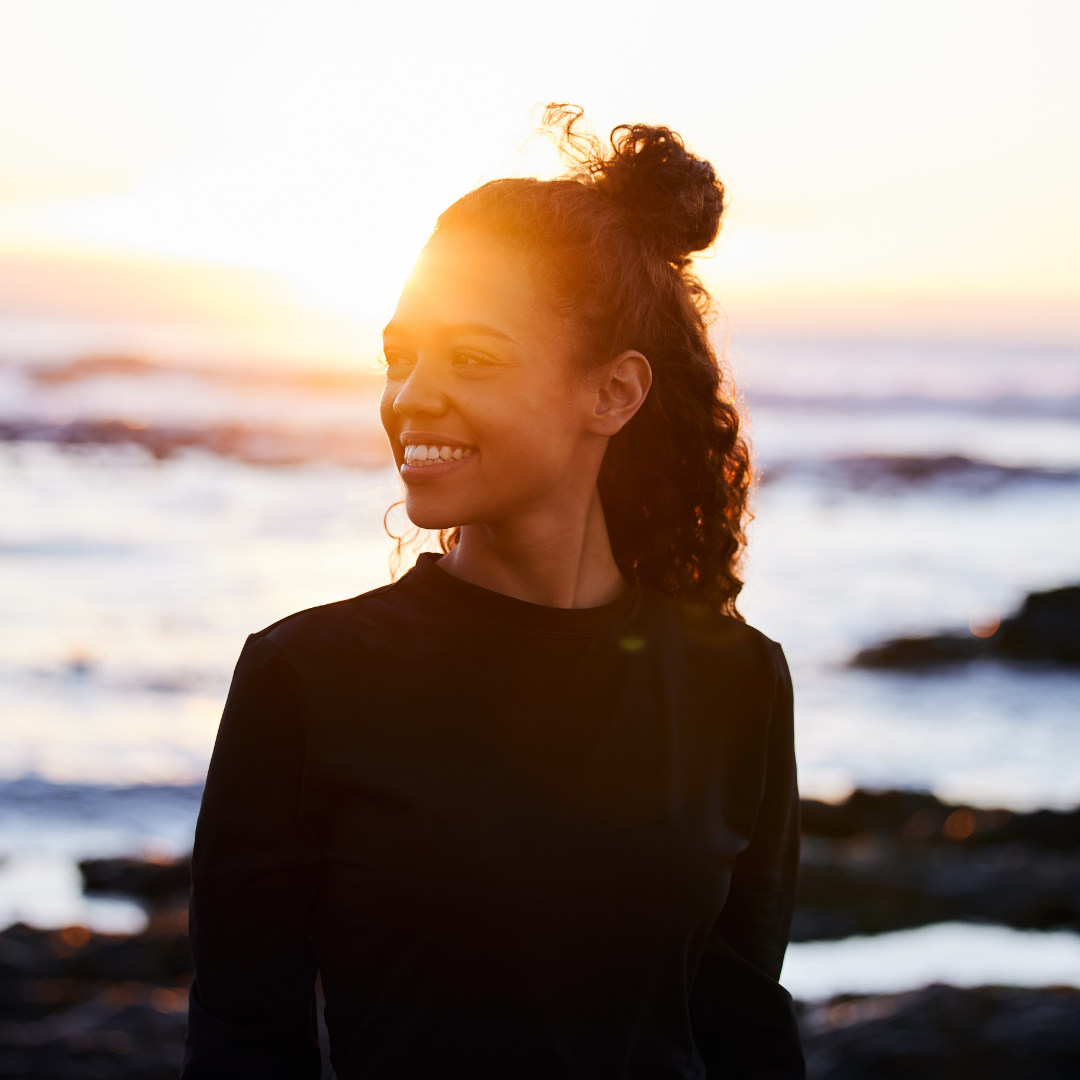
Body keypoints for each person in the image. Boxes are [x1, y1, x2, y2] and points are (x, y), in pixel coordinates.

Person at [181, 105, 804, 1079]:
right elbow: (242, 1041)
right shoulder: (305, 679)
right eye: (400, 355)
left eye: (472, 357)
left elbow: (744, 1025)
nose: (412, 395)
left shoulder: (738, 683)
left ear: (613, 394)